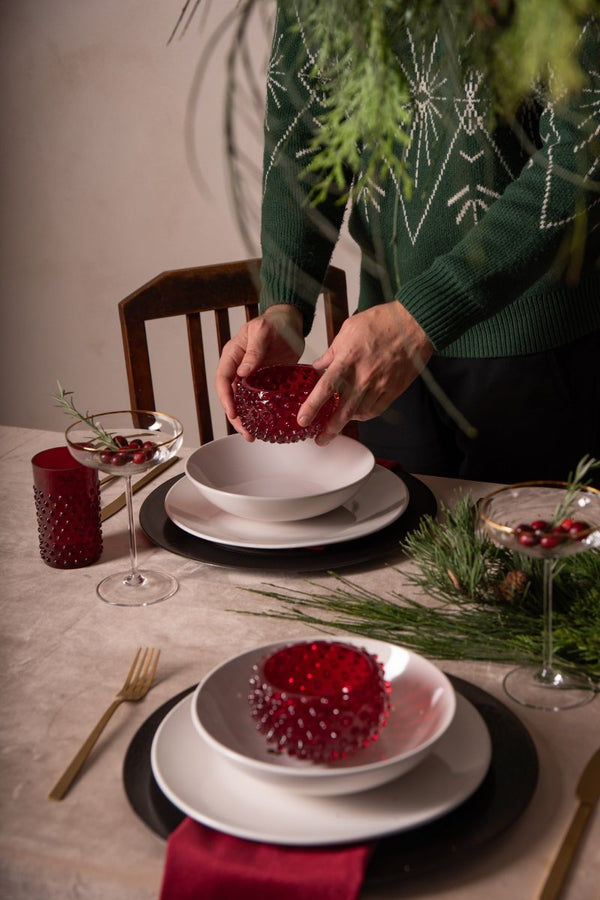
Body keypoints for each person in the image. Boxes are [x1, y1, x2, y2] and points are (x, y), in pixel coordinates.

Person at [215, 4, 600, 484]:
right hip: (380, 354)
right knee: (402, 556)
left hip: (537, 340)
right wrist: (284, 304)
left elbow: (586, 148)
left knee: (532, 558)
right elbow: (303, 131)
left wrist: (422, 314)